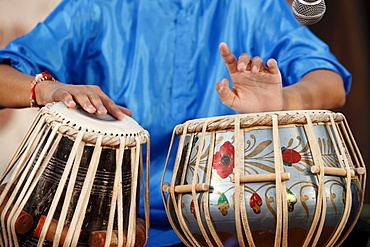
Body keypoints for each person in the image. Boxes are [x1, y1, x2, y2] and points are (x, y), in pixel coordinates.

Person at [0, 0, 351, 246]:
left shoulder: (251, 6)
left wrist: (284, 101)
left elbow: (330, 81)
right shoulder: (99, 6)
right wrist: (48, 88)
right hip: (99, 219)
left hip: (221, 224)